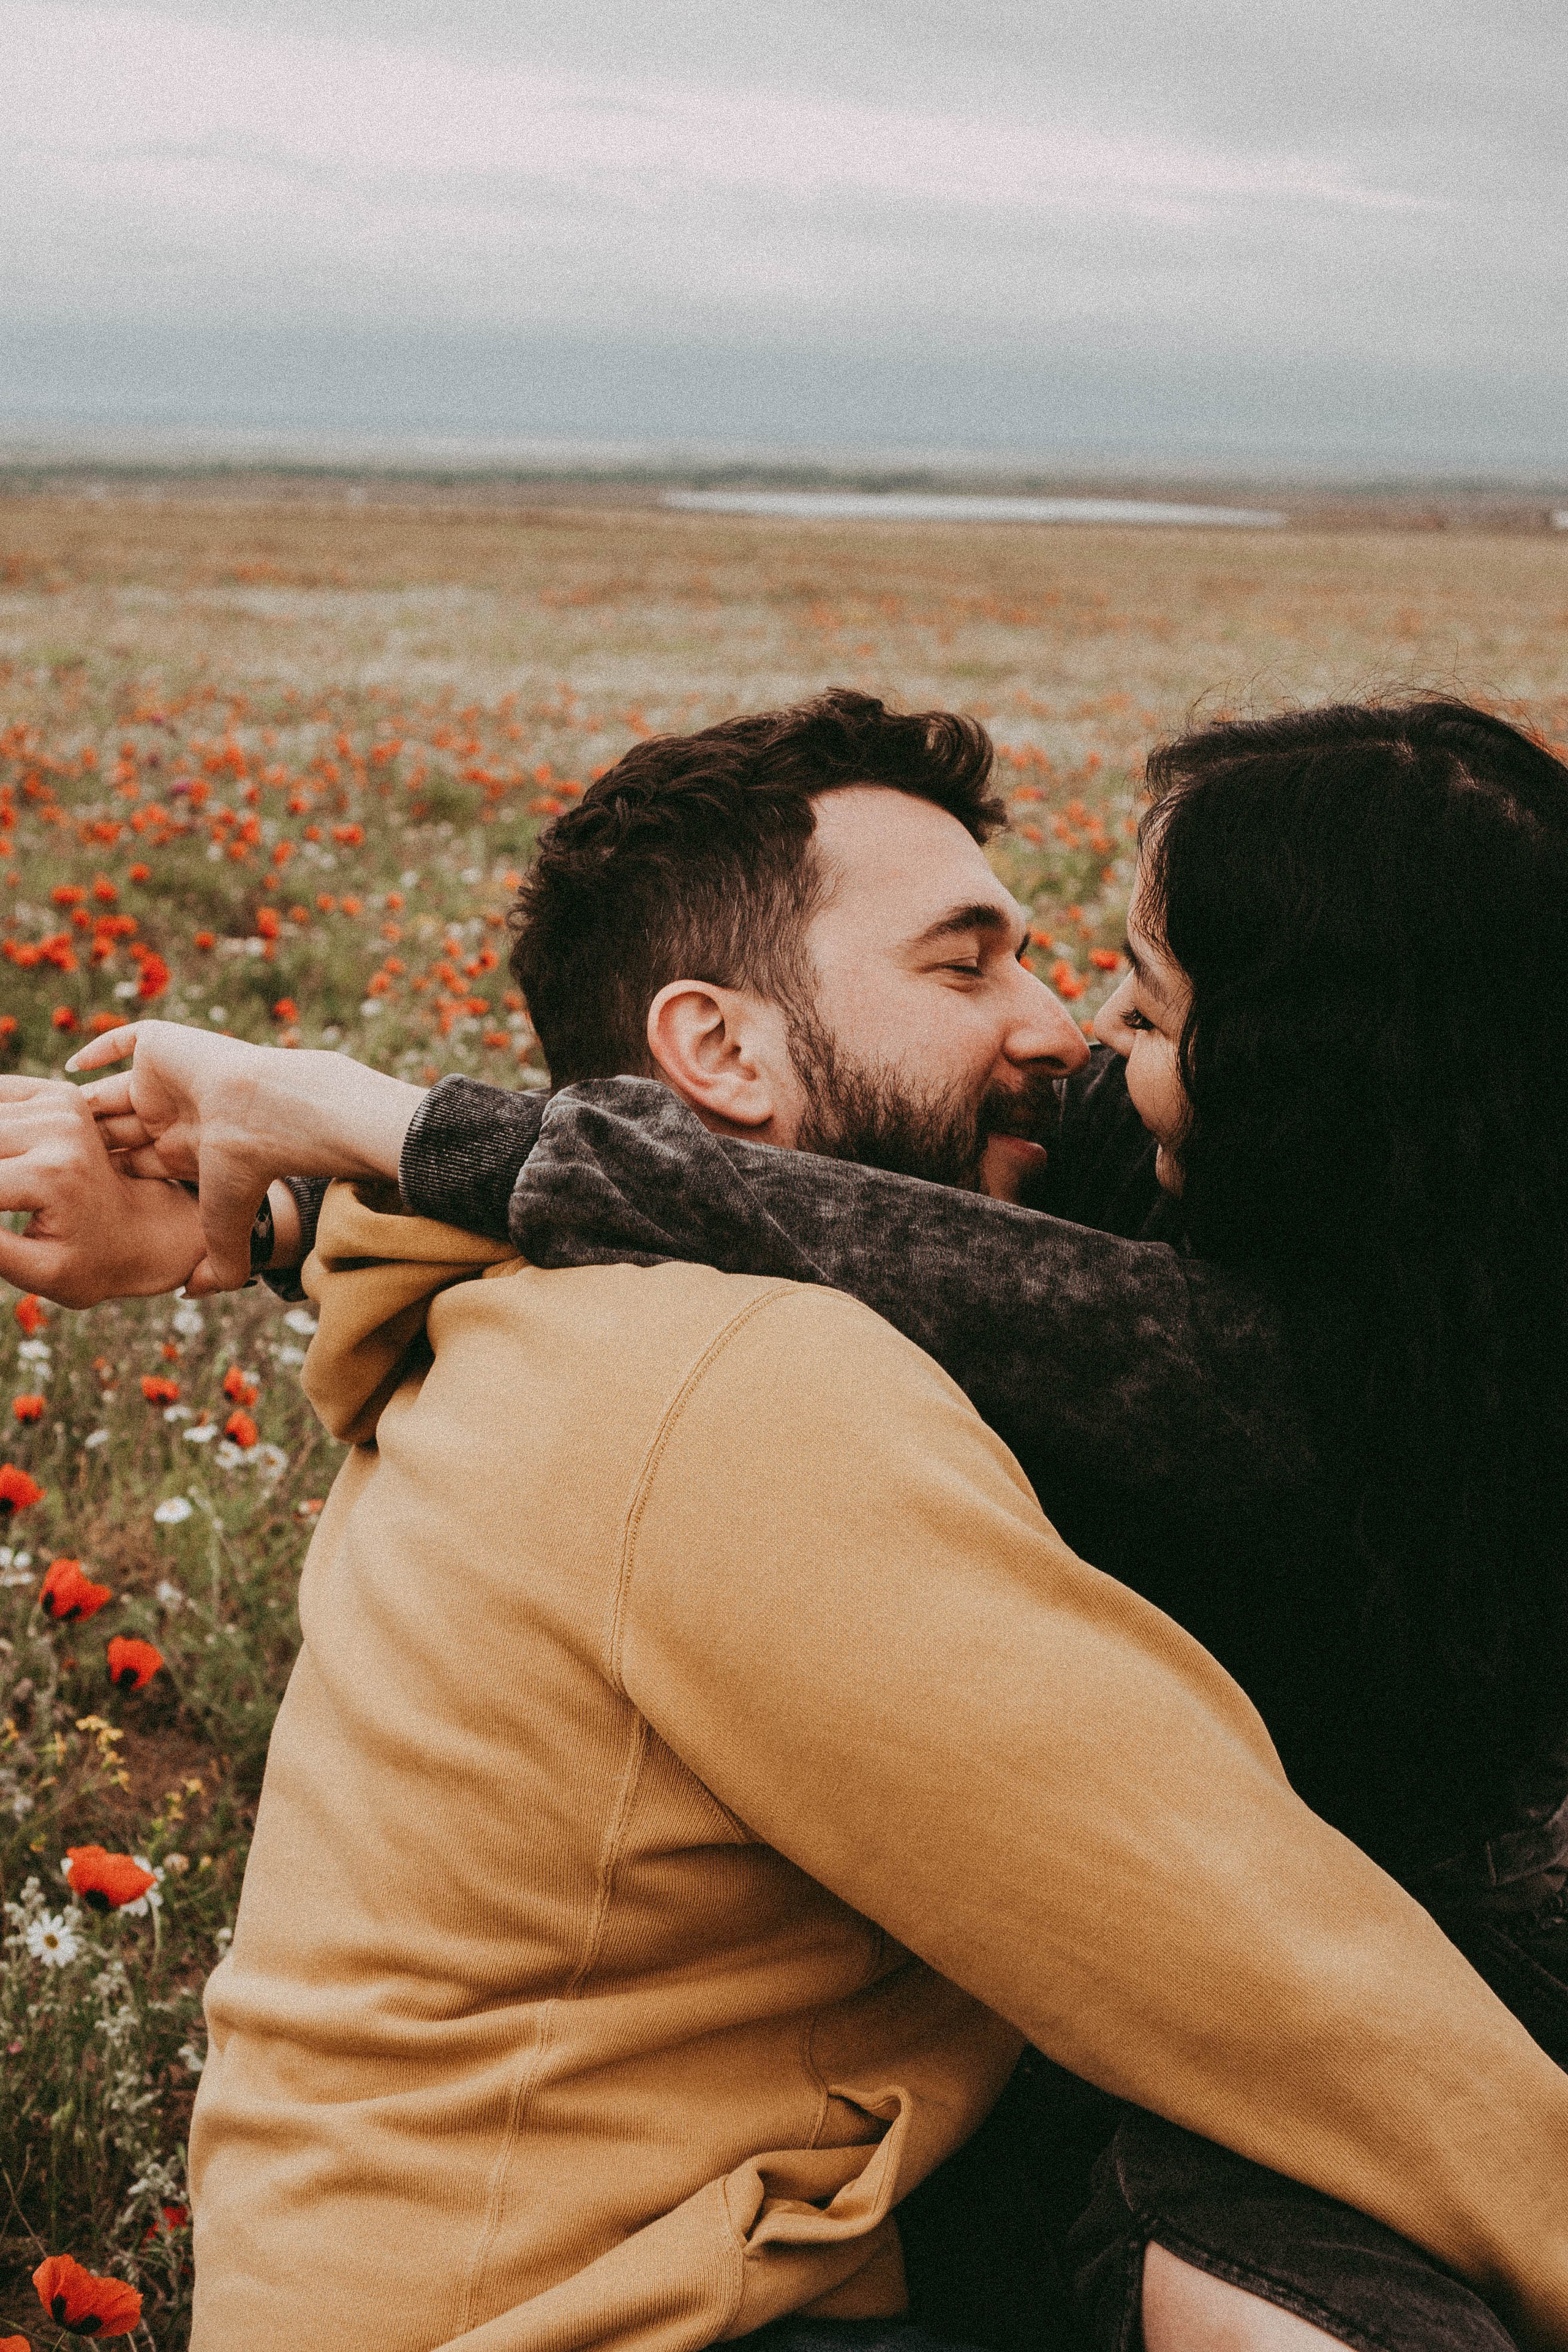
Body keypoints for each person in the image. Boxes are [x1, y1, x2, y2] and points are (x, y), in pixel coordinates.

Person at [12, 692, 1568, 2352]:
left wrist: (320, 1175)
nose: (1069, 1035)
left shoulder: (594, 1317)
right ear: (721, 1053)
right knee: (1256, 2245)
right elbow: (1248, 1964)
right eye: (969, 966)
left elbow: (840, 1232)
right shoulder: (739, 1381)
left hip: (635, 2257)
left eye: (1127, 996)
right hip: (635, 2314)